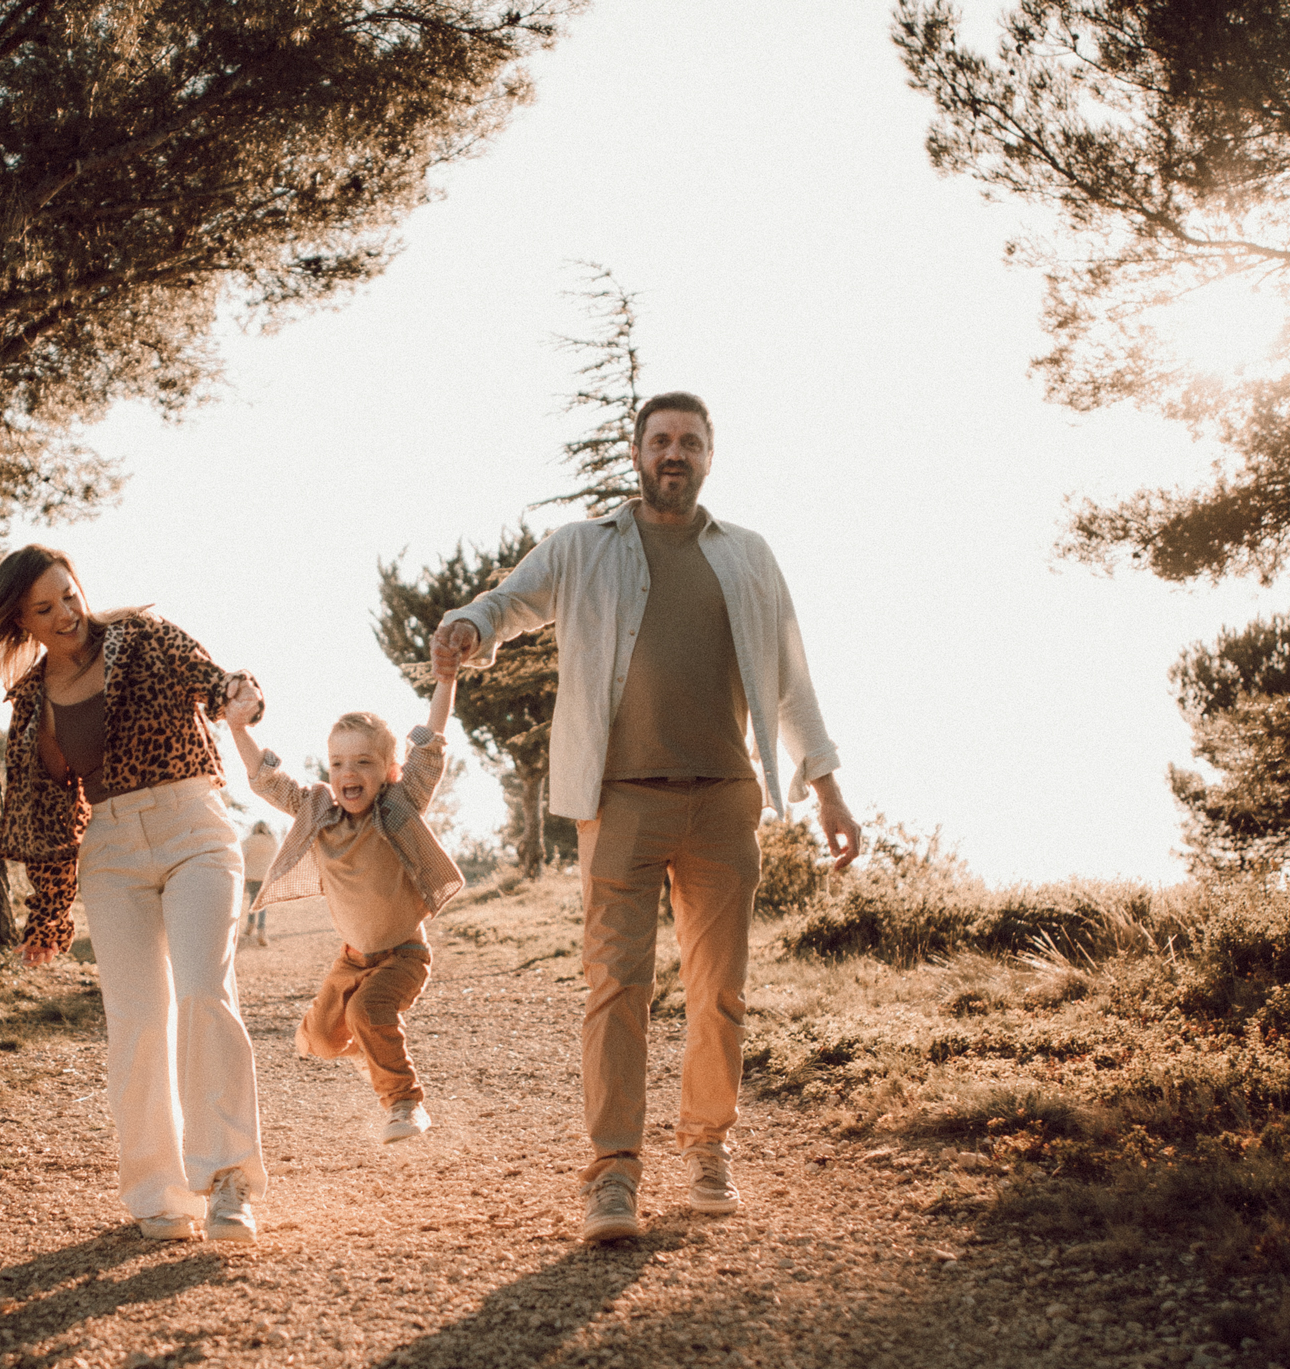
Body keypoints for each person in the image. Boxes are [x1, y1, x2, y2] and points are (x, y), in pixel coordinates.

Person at [430, 392, 861, 1243]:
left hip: (723, 800)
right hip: (618, 799)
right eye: (660, 440)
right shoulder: (582, 546)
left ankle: (707, 1146)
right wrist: (469, 626)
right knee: (616, 988)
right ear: (636, 454)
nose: (674, 453)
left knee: (718, 989)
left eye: (689, 441)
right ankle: (613, 1173)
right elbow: (507, 603)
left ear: (708, 456)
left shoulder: (748, 554)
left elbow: (789, 680)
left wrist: (826, 787)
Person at [0, 545, 268, 1243]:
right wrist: (49, 913)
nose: (66, 614)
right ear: (20, 622)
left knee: (203, 991)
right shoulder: (31, 702)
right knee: (137, 1022)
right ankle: (158, 1194)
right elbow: (48, 816)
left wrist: (239, 693)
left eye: (69, 595)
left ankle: (229, 1180)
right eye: (44, 608)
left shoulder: (142, 636)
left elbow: (212, 679)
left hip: (192, 827)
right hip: (110, 851)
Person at [225, 678, 465, 1144]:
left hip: (404, 954)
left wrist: (446, 678)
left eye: (363, 762)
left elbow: (430, 748)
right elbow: (268, 781)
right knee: (318, 1040)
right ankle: (366, 1050)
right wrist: (238, 729)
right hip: (352, 958)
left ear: (389, 771)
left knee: (367, 1011)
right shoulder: (318, 812)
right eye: (337, 763)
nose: (347, 772)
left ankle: (404, 1104)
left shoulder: (399, 805)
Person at [240, 821, 280, 945]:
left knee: (253, 900)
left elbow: (243, 856)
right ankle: (261, 930)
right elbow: (275, 857)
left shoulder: (248, 840)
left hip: (251, 876)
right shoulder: (272, 841)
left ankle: (250, 926)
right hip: (265, 876)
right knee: (262, 902)